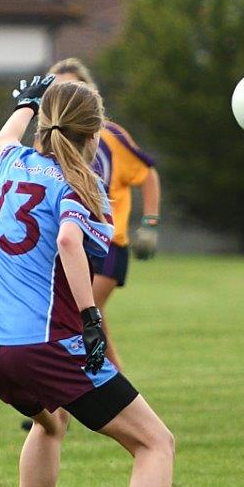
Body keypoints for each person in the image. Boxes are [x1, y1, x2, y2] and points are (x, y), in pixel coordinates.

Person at [0, 75, 191, 487]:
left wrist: (27, 102)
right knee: (155, 443)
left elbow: (4, 137)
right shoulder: (81, 185)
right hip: (44, 345)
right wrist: (92, 319)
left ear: (43, 126)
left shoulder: (13, 162)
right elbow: (70, 241)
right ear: (94, 137)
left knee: (51, 422)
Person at [49, 58, 162, 371]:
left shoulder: (109, 135)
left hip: (108, 245)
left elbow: (147, 173)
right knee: (91, 324)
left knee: (75, 318)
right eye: (57, 91)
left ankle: (55, 410)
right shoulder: (47, 142)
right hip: (71, 249)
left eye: (73, 88)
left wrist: (150, 222)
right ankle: (118, 390)